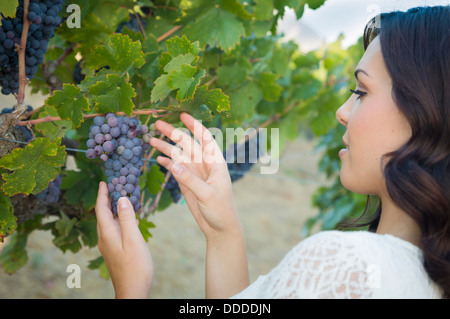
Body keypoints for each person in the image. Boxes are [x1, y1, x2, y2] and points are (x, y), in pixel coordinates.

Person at [95, 6, 449, 299]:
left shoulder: (346, 267)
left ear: (427, 112)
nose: (342, 111)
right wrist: (223, 233)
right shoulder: (428, 277)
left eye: (361, 91)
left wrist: (131, 288)